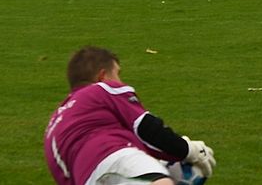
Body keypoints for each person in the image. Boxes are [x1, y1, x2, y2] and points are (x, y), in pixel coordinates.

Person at [44, 46, 217, 185]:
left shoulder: (52, 128)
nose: (120, 81)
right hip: (115, 157)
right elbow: (147, 129)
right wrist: (191, 151)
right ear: (102, 76)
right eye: (117, 74)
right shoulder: (102, 89)